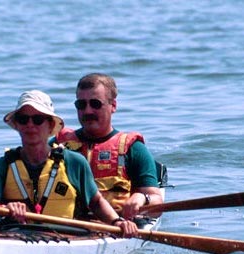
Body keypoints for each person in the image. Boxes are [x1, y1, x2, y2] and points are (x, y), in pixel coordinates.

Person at [0, 90, 138, 237]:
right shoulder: (1, 166)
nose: (30, 125)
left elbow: (95, 203)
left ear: (51, 125)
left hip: (65, 238)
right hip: (15, 237)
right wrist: (5, 208)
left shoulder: (74, 162)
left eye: (38, 119)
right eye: (23, 119)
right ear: (16, 125)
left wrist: (117, 222)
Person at [53, 73, 164, 221]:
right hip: (63, 225)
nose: (87, 111)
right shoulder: (59, 144)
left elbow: (157, 202)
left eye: (95, 104)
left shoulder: (133, 149)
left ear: (113, 106)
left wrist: (142, 198)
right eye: (81, 105)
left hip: (116, 226)